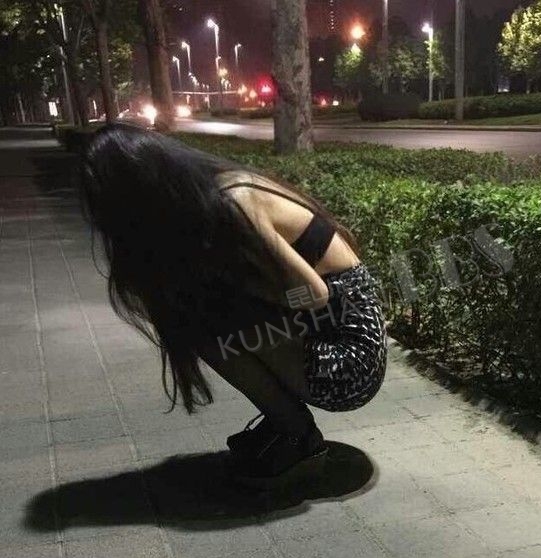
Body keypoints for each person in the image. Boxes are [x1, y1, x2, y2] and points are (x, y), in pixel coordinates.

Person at [81, 123, 387, 488]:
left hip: (351, 356)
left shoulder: (235, 202)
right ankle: (286, 424)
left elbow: (316, 294)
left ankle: (299, 437)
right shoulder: (213, 196)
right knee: (208, 317)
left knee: (210, 333)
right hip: (329, 325)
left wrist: (249, 300)